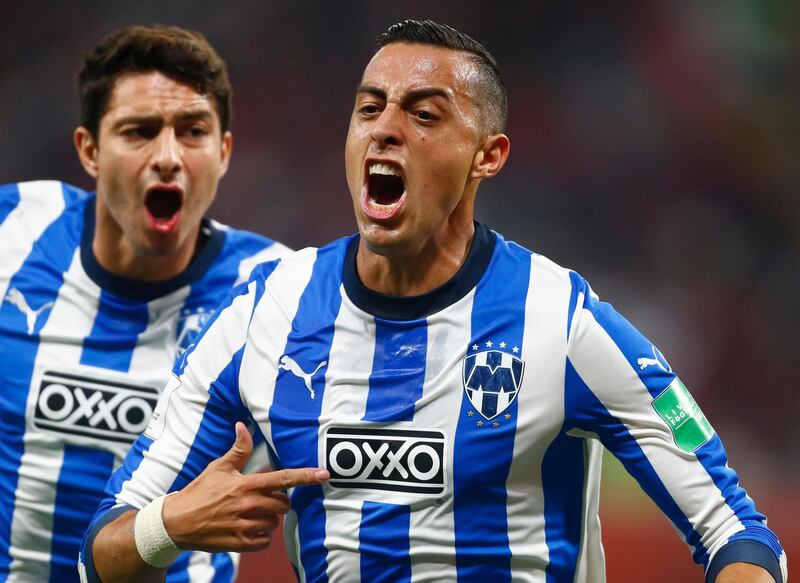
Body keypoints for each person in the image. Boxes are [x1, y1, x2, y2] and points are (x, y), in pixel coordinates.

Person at [82, 19, 787, 583]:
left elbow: (736, 532)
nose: (385, 128)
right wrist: (168, 525)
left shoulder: (562, 322)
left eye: (424, 113)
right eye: (369, 108)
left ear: (489, 154)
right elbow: (103, 550)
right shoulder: (263, 315)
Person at [0, 24, 296, 582]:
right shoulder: (11, 232)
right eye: (139, 132)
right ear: (89, 149)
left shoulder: (278, 290)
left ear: (225, 151)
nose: (167, 156)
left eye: (192, 131)